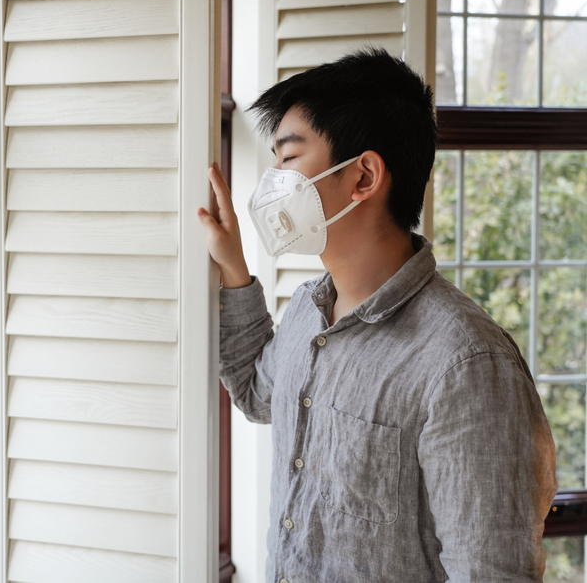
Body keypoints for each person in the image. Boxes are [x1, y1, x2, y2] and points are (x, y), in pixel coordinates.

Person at [198, 47, 557, 583]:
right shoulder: (306, 312)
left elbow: (491, 571)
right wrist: (231, 266)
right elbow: (255, 391)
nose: (273, 181)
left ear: (363, 176)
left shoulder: (465, 363)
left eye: (289, 159)